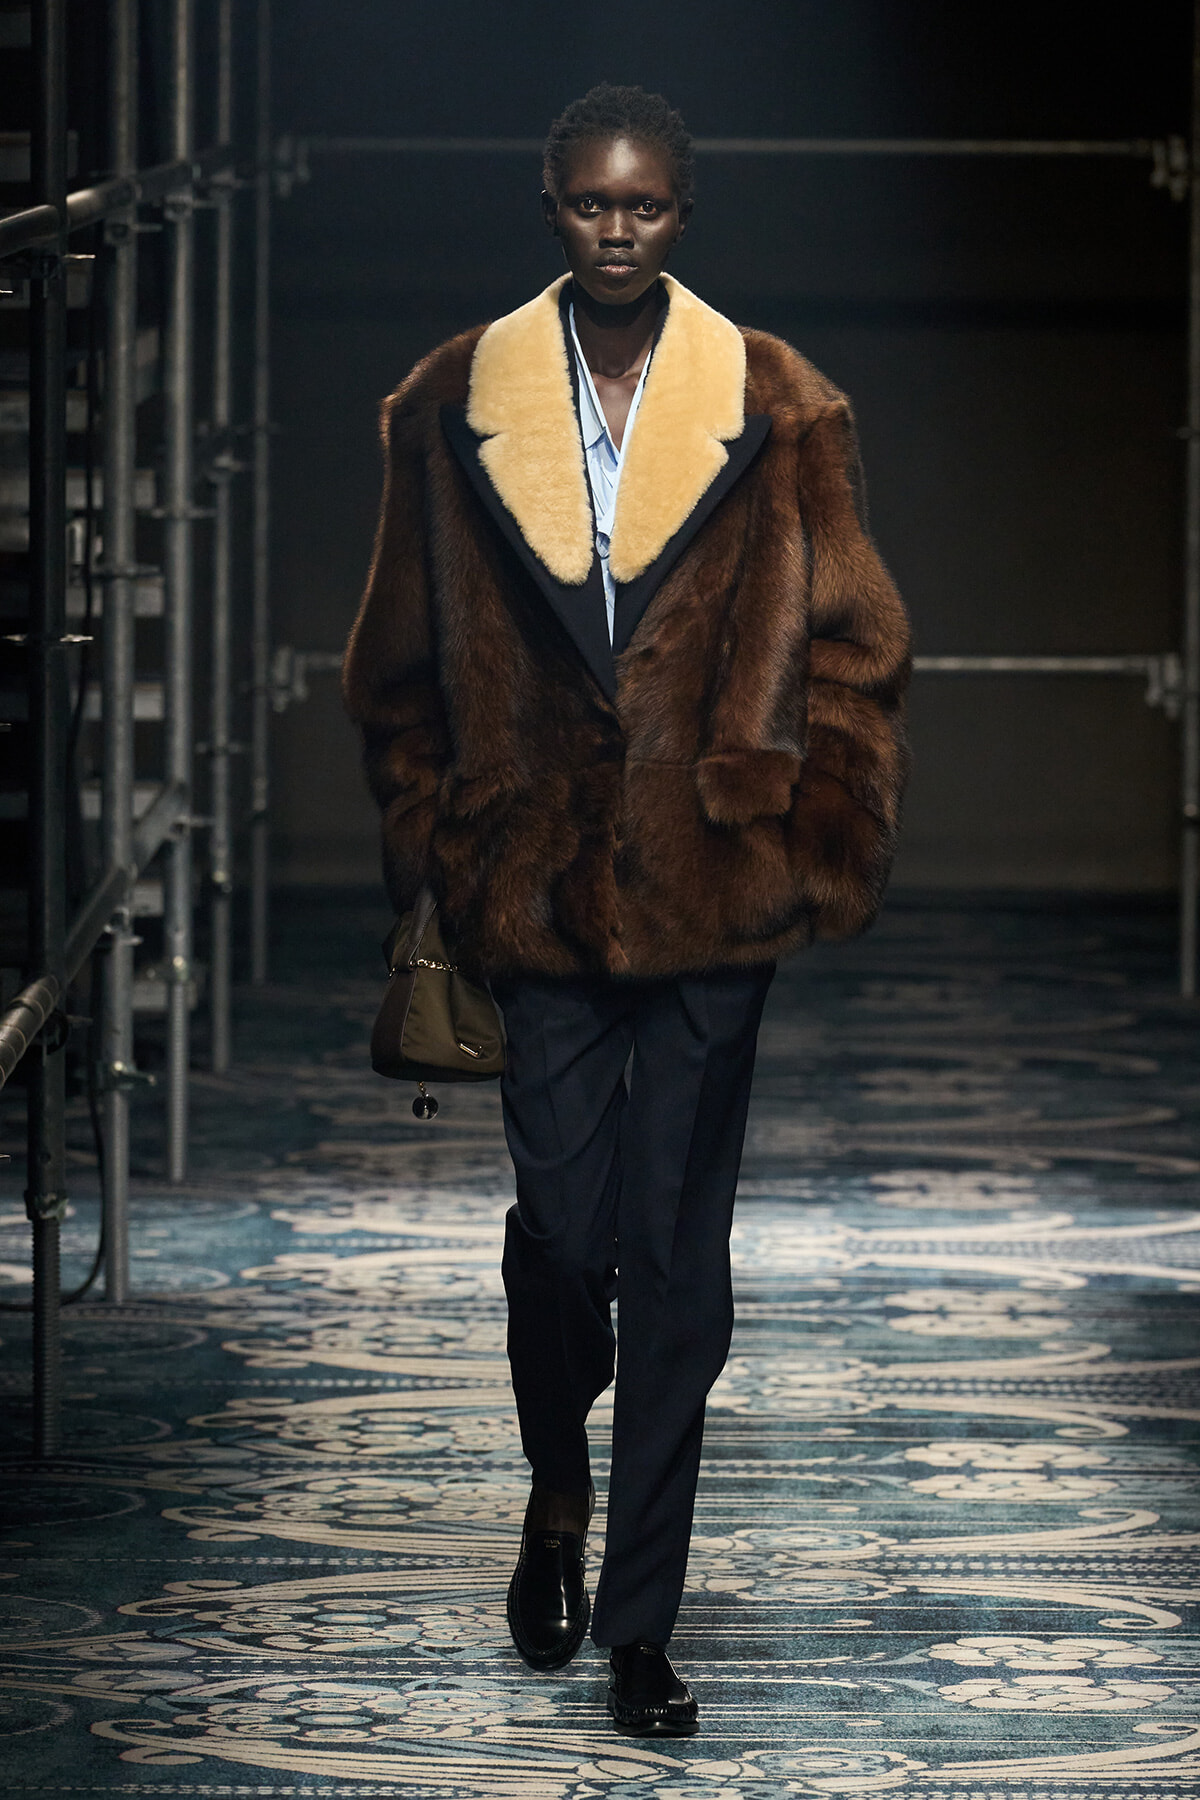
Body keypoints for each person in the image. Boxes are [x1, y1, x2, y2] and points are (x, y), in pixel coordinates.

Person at [343, 82, 910, 1737]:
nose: (617, 229)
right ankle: (555, 1492)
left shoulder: (784, 404)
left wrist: (817, 832)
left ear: (683, 213)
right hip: (533, 891)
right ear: (549, 206)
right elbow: (392, 670)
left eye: (646, 206)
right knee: (563, 1243)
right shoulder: (452, 405)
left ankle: (643, 1626)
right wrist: (436, 845)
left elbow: (860, 647)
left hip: (716, 894)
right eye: (592, 204)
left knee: (680, 1265)